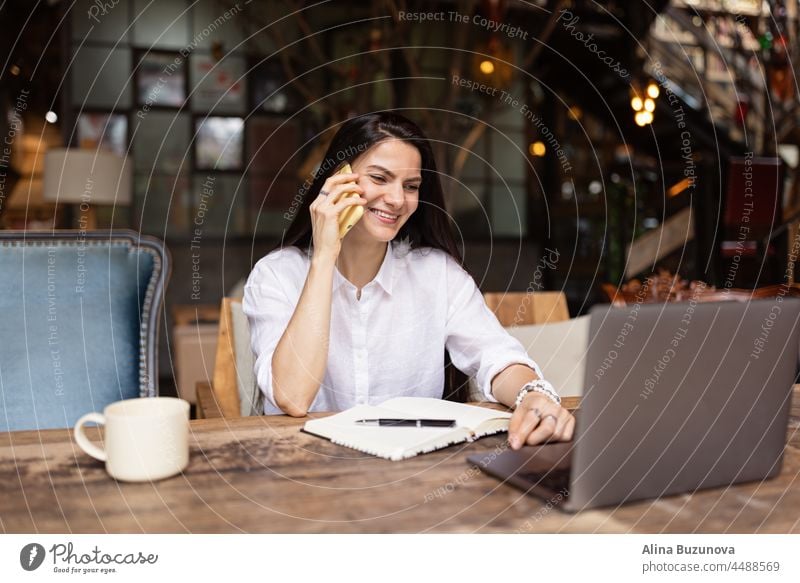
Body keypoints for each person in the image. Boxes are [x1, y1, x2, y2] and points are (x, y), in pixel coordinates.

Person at [243, 112, 574, 448]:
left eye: (411, 186)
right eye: (379, 178)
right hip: (304, 475)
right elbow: (293, 397)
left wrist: (531, 394)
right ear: (337, 179)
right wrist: (325, 256)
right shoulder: (276, 276)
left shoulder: (437, 274)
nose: (397, 200)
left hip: (415, 474)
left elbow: (495, 356)